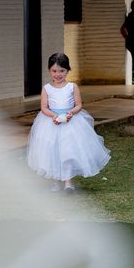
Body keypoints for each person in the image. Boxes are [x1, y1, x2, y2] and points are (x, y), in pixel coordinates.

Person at [27, 53, 110, 192]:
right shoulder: (47, 88)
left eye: (62, 71)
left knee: (69, 151)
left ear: (67, 70)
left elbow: (78, 105)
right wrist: (54, 116)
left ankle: (68, 182)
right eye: (54, 71)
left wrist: (70, 113)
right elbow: (43, 107)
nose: (58, 74)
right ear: (49, 70)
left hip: (71, 123)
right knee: (52, 151)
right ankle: (55, 181)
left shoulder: (72, 87)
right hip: (50, 123)